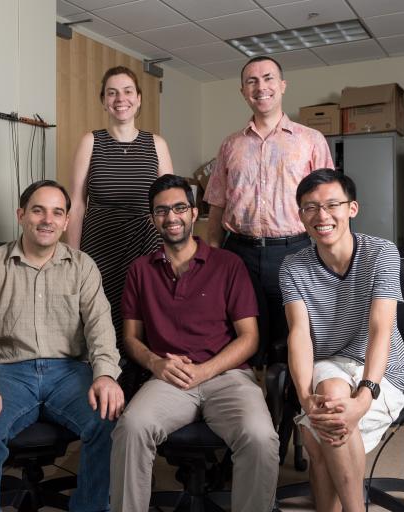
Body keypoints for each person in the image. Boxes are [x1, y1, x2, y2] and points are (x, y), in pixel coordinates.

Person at [0, 180, 125, 512]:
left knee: (112, 422)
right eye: (38, 210)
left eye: (57, 212)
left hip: (69, 374)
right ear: (21, 215)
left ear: (66, 221)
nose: (48, 220)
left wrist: (105, 376)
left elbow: (101, 328)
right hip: (7, 374)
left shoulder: (83, 266)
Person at [110, 174, 280, 512]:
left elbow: (250, 338)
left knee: (261, 438)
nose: (171, 217)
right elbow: (130, 339)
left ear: (192, 212)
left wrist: (205, 371)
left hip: (227, 375)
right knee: (131, 428)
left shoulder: (228, 264)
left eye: (178, 208)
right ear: (152, 218)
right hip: (168, 377)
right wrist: (156, 363)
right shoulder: (140, 271)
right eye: (161, 211)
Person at [279, 169, 404, 512]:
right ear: (300, 216)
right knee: (332, 401)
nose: (322, 216)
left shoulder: (381, 253)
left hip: (381, 367)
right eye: (310, 208)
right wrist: (305, 396)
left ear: (352, 208)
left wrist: (365, 397)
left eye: (332, 205)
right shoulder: (293, 267)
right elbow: (300, 336)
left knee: (318, 434)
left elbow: (381, 329)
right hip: (328, 363)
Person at [204, 55, 334, 366]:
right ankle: (250, 405)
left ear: (282, 85)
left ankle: (290, 408)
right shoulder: (230, 145)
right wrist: (211, 254)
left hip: (294, 251)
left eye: (268, 78)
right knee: (241, 337)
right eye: (252, 81)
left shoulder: (310, 141)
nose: (261, 87)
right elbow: (217, 205)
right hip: (238, 254)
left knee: (295, 335)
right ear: (243, 91)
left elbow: (329, 204)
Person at [67, 66, 173, 363]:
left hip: (147, 249)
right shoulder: (91, 141)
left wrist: (174, 256)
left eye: (127, 91)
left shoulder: (157, 144)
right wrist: (73, 258)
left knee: (146, 321)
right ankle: (104, 391)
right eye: (112, 92)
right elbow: (76, 203)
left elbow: (170, 207)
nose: (120, 98)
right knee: (100, 327)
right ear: (103, 100)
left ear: (139, 99)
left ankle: (142, 388)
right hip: (99, 249)